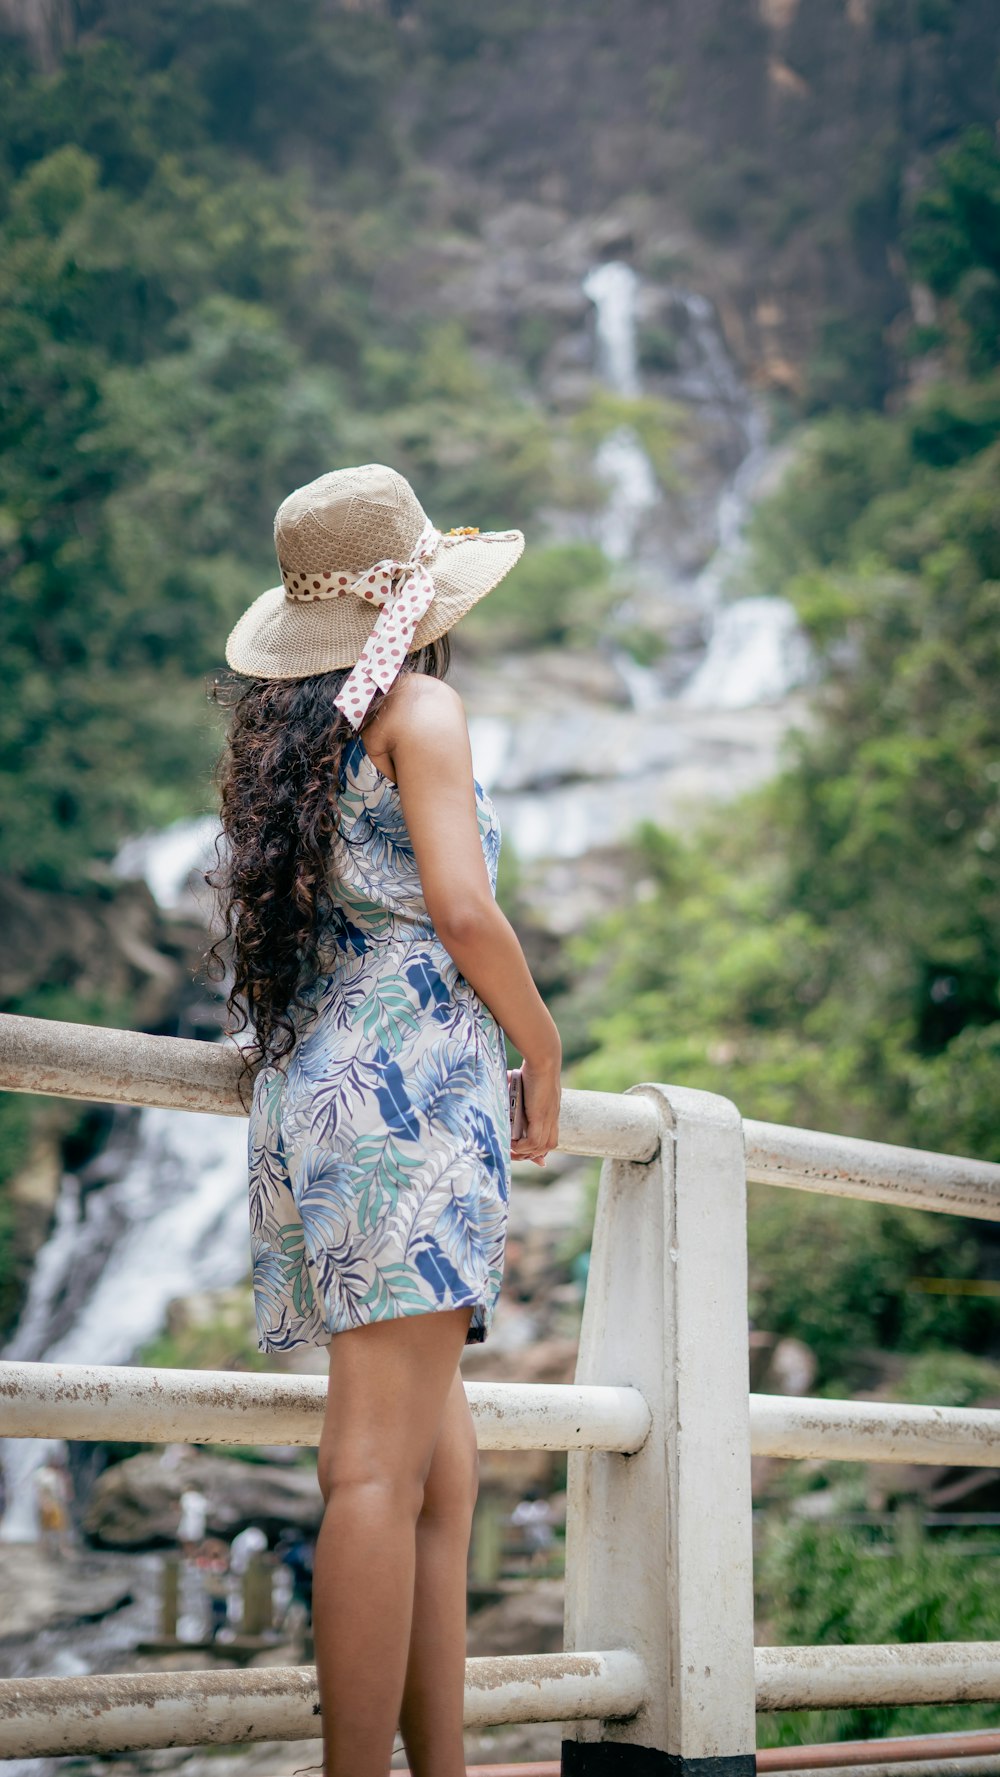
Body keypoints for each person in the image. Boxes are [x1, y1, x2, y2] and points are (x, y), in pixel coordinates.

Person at [209, 464, 562, 1777]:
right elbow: (464, 914)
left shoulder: (284, 744)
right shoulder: (423, 707)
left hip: (321, 1096)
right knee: (371, 1466)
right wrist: (546, 1045)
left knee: (434, 1471)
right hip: (412, 1099)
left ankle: (440, 1768)